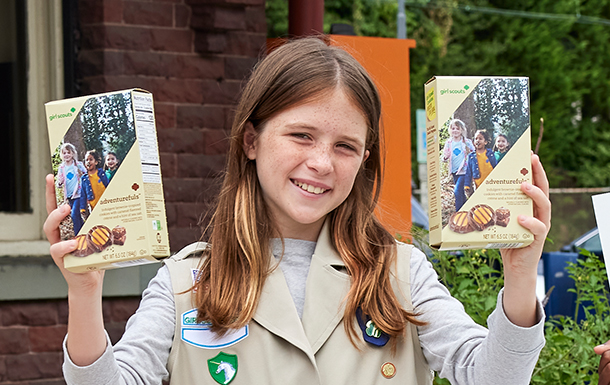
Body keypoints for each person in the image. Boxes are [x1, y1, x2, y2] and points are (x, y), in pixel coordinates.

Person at [44, 37, 551, 385]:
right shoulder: (185, 281)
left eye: (346, 146)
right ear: (251, 140)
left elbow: (492, 375)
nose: (321, 163)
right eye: (301, 135)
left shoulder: (400, 271)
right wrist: (84, 291)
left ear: (365, 161)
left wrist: (522, 273)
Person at [442, 119, 475, 211]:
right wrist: (445, 158)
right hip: (454, 170)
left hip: (464, 170)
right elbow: (445, 155)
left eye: (457, 128)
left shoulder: (466, 142)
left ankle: (459, 212)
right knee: (460, 191)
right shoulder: (449, 142)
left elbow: (474, 153)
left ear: (462, 130)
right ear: (450, 130)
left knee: (457, 191)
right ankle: (466, 208)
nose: (455, 130)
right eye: (453, 128)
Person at [55, 143, 87, 235]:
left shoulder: (78, 164)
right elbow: (59, 182)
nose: (66, 155)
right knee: (77, 215)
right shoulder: (61, 168)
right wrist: (59, 183)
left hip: (78, 193)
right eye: (64, 153)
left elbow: (86, 175)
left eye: (68, 152)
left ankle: (78, 235)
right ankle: (84, 231)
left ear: (72, 153)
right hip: (69, 195)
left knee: (74, 215)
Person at [79, 149, 109, 215]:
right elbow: (83, 194)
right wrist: (82, 208)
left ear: (96, 162)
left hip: (105, 203)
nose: (88, 162)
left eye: (91, 159)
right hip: (94, 207)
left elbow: (108, 185)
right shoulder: (84, 178)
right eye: (87, 160)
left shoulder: (101, 173)